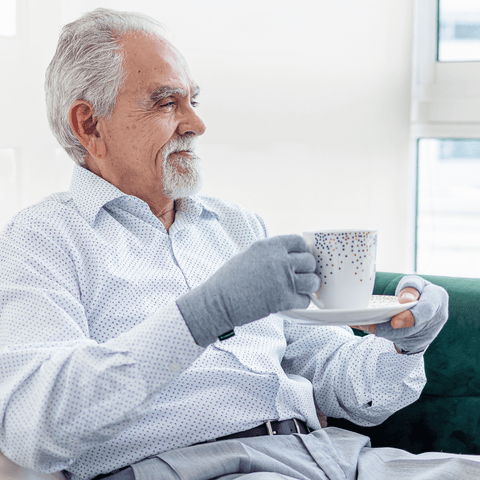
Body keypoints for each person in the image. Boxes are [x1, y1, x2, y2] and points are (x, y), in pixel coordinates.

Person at [0, 7, 477, 480]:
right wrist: (207, 312)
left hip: (328, 456)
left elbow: (338, 376)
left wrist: (404, 347)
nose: (195, 124)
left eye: (193, 101)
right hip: (190, 465)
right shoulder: (44, 238)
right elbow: (33, 427)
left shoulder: (234, 225)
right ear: (89, 125)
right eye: (166, 103)